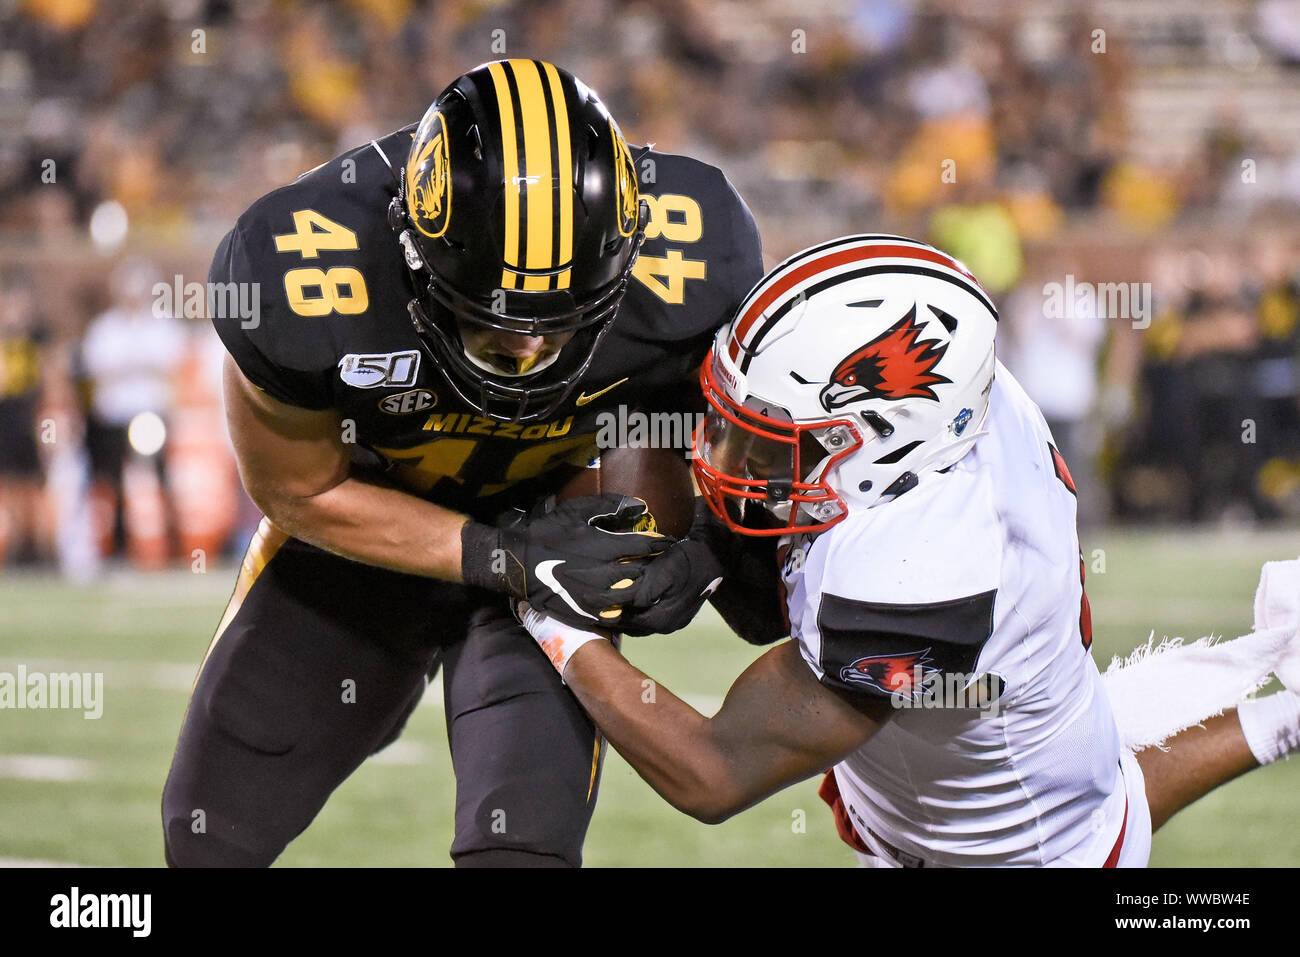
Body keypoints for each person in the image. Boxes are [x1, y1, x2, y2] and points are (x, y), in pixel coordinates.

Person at [520, 235, 1300, 866]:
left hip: (1006, 853)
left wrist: (550, 615)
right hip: (1031, 753)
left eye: (765, 446)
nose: (720, 461)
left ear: (884, 451)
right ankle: (1288, 711)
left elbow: (711, 771)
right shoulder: (955, 418)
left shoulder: (920, 576)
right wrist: (708, 551)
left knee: (1094, 820)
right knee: (1104, 792)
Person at [161, 59, 762, 867]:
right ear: (413, 252)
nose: (528, 348)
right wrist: (502, 557)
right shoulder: (302, 265)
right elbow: (296, 487)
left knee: (520, 850)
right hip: (369, 537)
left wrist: (696, 556)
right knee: (209, 835)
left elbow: (733, 464)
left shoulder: (700, 256)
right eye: (493, 323)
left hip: (556, 540)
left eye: (561, 323)